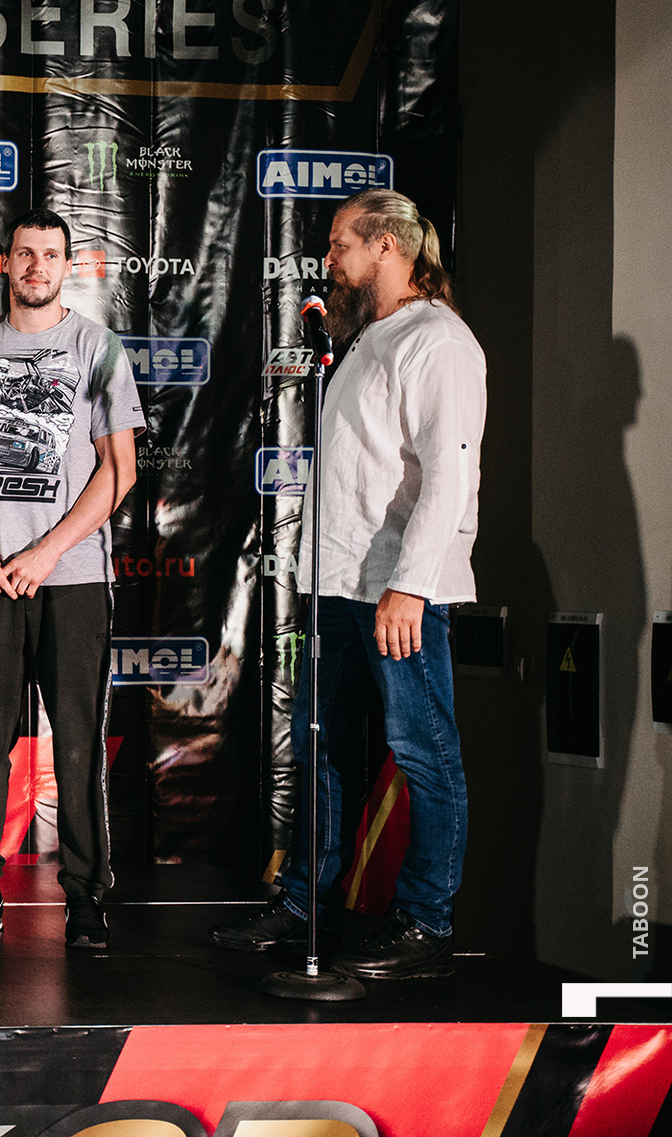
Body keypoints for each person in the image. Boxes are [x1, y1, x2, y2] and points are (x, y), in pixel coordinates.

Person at [212, 188, 483, 979]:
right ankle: (308, 905)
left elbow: (450, 476)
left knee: (423, 752)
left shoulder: (438, 340)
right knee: (321, 745)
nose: (327, 260)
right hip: (340, 586)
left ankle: (427, 923)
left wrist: (411, 585)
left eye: (340, 245)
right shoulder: (369, 337)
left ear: (387, 246)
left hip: (400, 593)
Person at [0, 210, 142, 945]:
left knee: (78, 743)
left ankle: (85, 893)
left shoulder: (97, 347)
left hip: (72, 576)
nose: (36, 266)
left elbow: (121, 471)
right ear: (7, 261)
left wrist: (49, 551)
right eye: (25, 253)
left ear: (67, 265)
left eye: (50, 255)